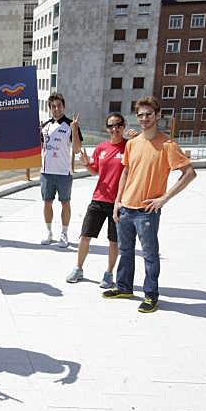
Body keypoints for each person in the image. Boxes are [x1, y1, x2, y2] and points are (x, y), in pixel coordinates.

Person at [103, 96, 196, 313]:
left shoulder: (168, 145)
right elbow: (125, 172)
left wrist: (165, 198)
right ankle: (124, 287)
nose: (144, 118)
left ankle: (151, 295)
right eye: (141, 115)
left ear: (157, 115)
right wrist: (117, 201)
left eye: (149, 114)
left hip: (147, 212)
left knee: (150, 255)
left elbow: (189, 173)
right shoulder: (133, 144)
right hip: (126, 208)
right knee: (125, 251)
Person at [66, 113, 128, 288]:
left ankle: (108, 274)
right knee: (85, 235)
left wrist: (136, 136)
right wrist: (87, 163)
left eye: (118, 125)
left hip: (118, 202)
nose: (114, 129)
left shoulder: (129, 147)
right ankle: (78, 268)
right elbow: (95, 171)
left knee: (113, 241)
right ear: (106, 128)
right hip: (98, 199)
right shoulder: (101, 148)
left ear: (123, 126)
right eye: (110, 126)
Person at [40, 92, 83, 248]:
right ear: (50, 108)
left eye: (59, 106)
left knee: (65, 203)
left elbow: (77, 150)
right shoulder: (45, 126)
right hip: (46, 172)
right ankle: (49, 232)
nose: (56, 109)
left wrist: (75, 130)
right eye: (53, 106)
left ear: (63, 106)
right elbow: (41, 147)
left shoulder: (71, 124)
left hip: (64, 173)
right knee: (47, 203)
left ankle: (64, 234)